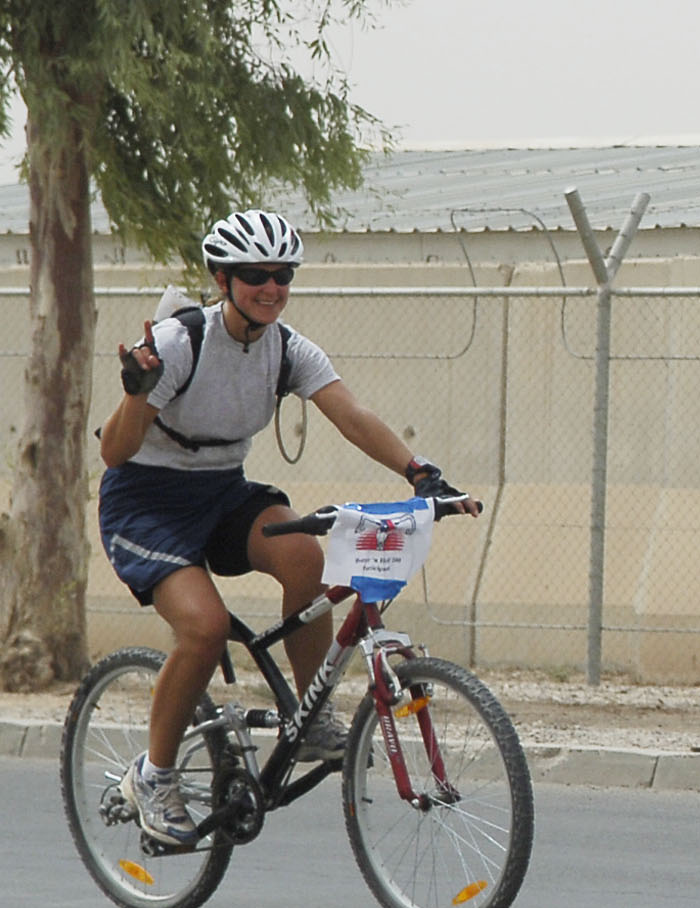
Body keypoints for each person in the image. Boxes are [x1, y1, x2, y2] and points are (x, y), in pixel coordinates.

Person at [98, 209, 475, 847]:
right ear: (223, 278)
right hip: (147, 501)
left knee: (306, 554)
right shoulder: (179, 341)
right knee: (206, 627)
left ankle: (311, 715)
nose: (271, 287)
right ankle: (154, 777)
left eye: (283, 275)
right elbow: (114, 451)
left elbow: (349, 412)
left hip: (222, 491)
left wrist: (419, 473)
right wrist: (137, 392)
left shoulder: (287, 348)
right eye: (255, 275)